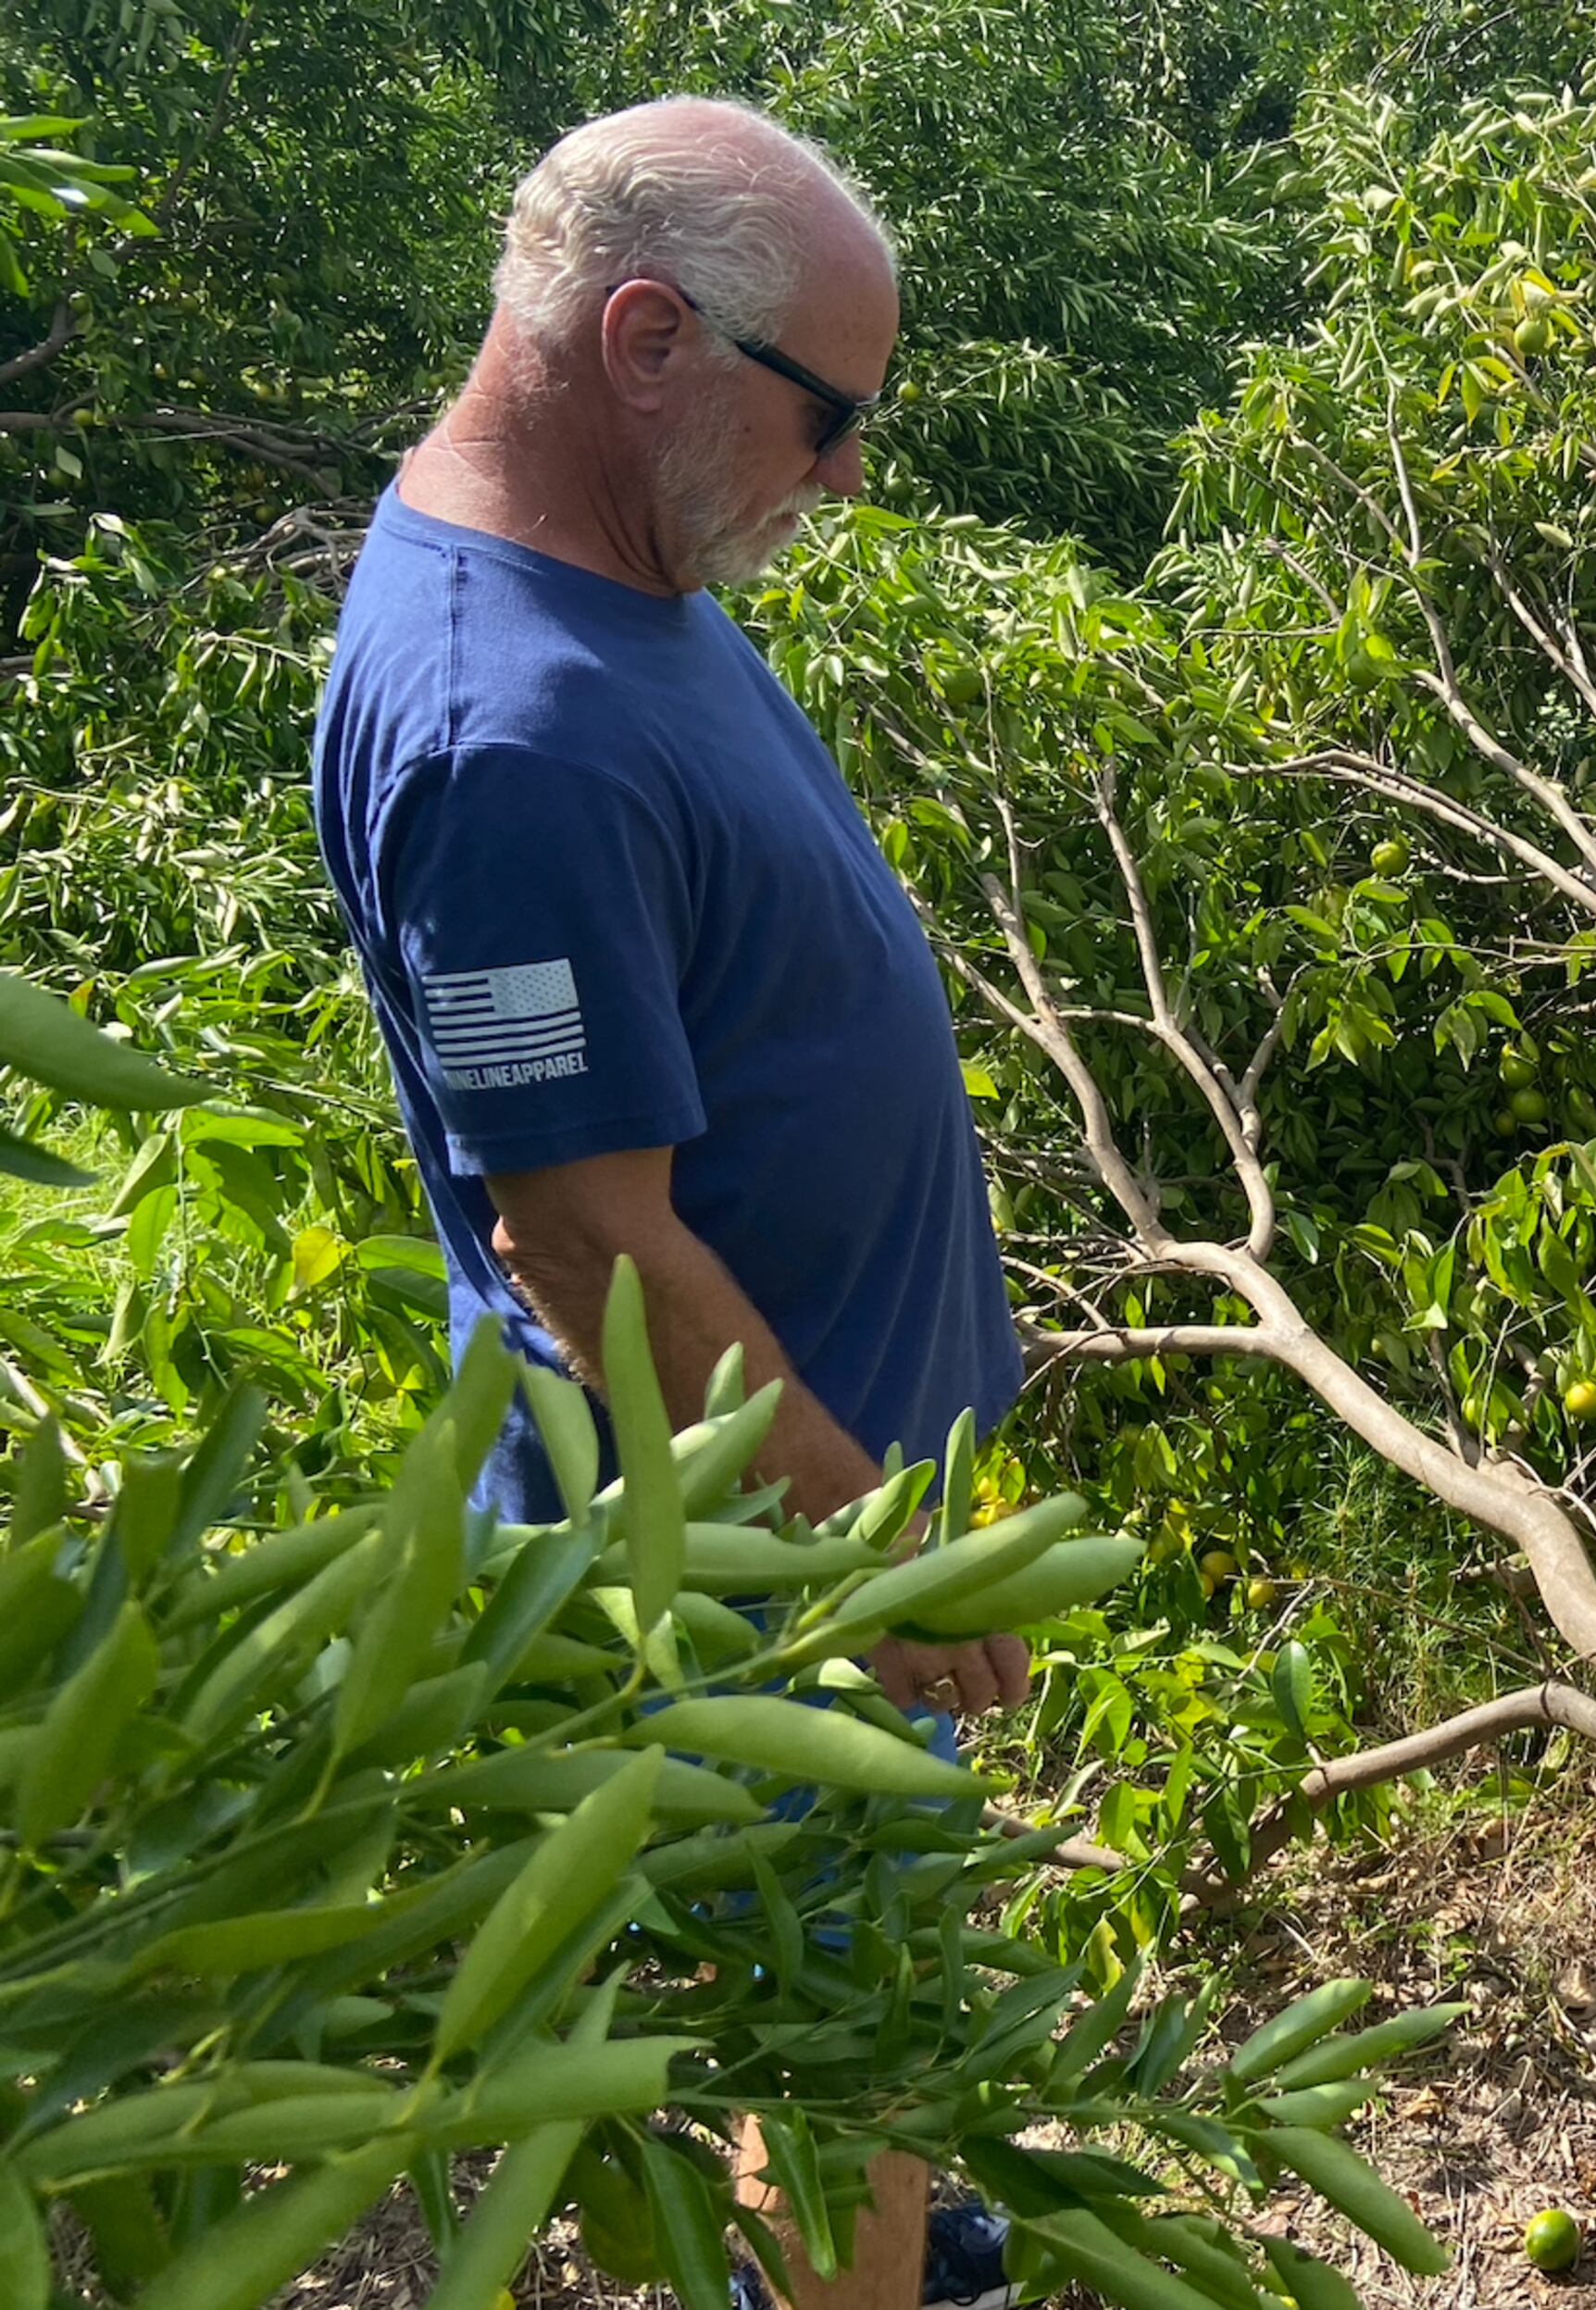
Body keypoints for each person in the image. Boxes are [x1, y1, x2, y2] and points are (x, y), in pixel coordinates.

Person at [308, 96, 1026, 2310]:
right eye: (831, 421)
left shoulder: (615, 560)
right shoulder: (500, 728)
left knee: (848, 2039)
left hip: (797, 1500)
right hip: (741, 1560)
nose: (845, 476)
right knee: (834, 2074)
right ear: (643, 337)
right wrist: (868, 1553)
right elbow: (581, 1239)